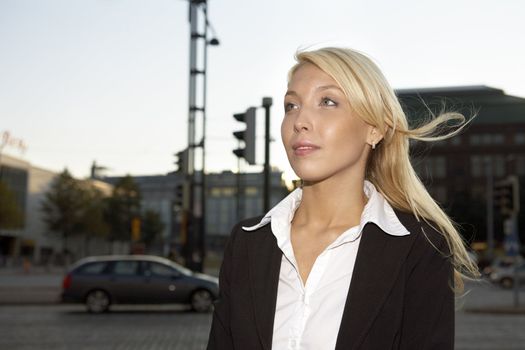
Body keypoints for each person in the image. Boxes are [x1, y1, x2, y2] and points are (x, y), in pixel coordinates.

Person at [207, 47, 479, 350]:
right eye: (291, 105)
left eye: (327, 101)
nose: (300, 121)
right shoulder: (247, 243)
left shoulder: (420, 246)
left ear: (374, 129)